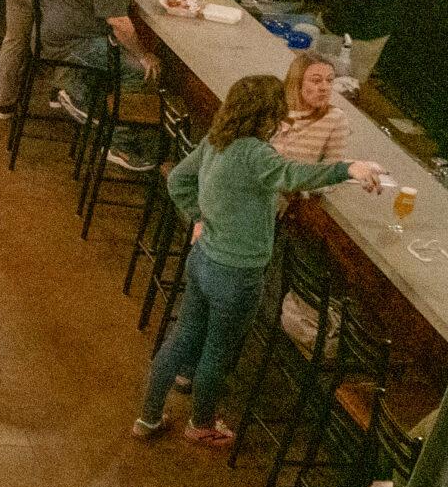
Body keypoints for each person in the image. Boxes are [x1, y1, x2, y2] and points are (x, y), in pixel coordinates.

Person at [131, 73, 377, 446]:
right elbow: (294, 176)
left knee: (181, 339)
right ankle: (201, 424)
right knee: (217, 352)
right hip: (238, 275)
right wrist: (349, 168)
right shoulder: (257, 154)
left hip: (202, 260)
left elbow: (177, 179)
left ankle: (148, 417)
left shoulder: (217, 139)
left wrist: (197, 217)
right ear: (267, 115)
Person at [39, 0, 213, 171]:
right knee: (139, 72)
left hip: (63, 31)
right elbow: (120, 24)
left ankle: (78, 91)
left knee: (131, 61)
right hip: (71, 43)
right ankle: (117, 143)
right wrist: (144, 55)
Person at [273, 49, 352, 163]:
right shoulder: (271, 108)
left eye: (329, 80)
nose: (325, 87)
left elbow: (332, 170)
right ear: (297, 82)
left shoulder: (334, 118)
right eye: (316, 80)